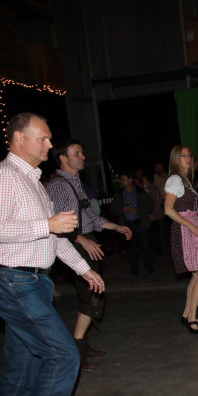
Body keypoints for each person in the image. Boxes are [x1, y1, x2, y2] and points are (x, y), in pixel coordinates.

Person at [0, 112, 104, 396]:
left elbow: (53, 236)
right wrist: (46, 223)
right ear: (19, 138)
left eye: (49, 139)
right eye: (43, 138)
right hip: (12, 280)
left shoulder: (32, 181)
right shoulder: (2, 177)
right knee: (63, 355)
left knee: (22, 365)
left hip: (31, 280)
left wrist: (84, 269)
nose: (49, 145)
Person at [45, 139, 131, 371]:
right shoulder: (59, 186)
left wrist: (115, 227)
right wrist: (81, 240)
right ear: (63, 158)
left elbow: (90, 217)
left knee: (93, 295)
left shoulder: (75, 183)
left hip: (85, 240)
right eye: (77, 153)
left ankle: (82, 345)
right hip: (73, 244)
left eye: (82, 153)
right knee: (91, 296)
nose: (82, 157)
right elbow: (58, 222)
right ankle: (77, 349)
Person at [163, 145, 198, 334]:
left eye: (188, 155)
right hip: (185, 230)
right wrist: (190, 226)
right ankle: (191, 318)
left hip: (192, 228)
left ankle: (187, 314)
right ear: (175, 159)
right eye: (182, 155)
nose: (187, 158)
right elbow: (168, 210)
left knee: (197, 274)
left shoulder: (185, 180)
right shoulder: (175, 179)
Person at [111, 169, 155, 277]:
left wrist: (138, 210)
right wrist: (122, 210)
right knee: (130, 248)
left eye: (123, 179)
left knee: (146, 247)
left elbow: (150, 204)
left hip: (140, 223)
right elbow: (113, 209)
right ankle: (134, 270)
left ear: (130, 180)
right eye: (121, 179)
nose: (121, 182)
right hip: (127, 224)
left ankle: (150, 268)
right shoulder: (119, 194)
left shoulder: (140, 191)